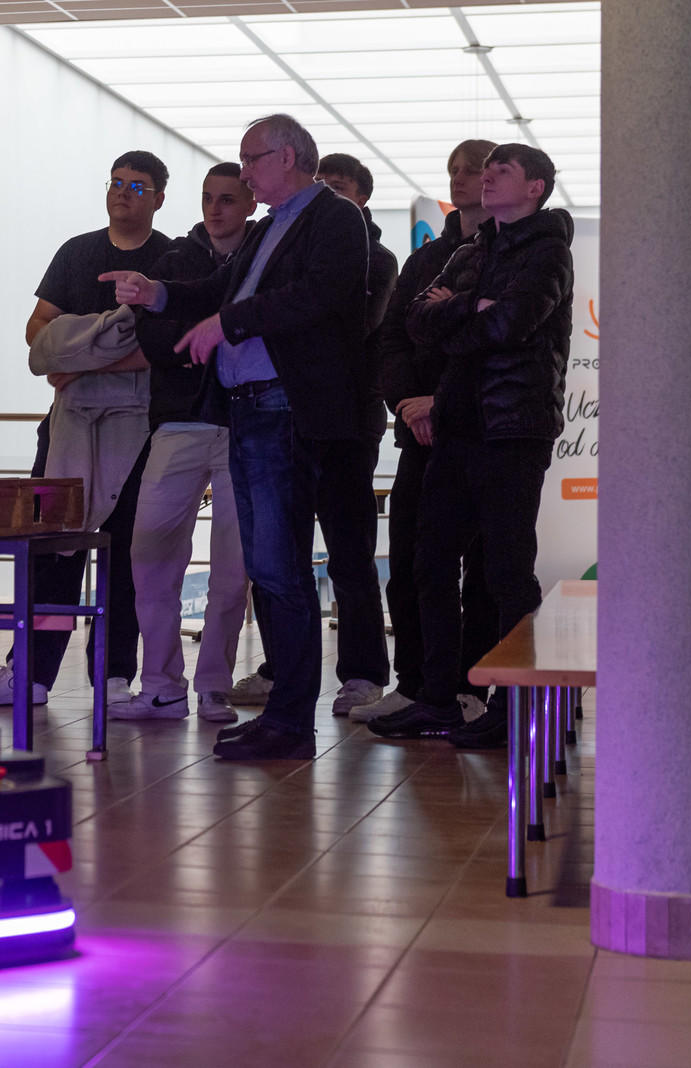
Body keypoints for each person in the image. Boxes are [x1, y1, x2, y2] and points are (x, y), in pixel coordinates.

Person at [103, 114, 371, 760]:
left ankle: (291, 720)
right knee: (269, 567)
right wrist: (157, 293)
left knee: (280, 568)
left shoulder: (333, 217)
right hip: (248, 408)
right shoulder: (269, 227)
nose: (245, 171)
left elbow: (319, 295)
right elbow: (218, 289)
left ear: (288, 157)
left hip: (284, 407)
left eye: (252, 159)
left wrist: (229, 325)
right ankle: (284, 715)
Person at [368, 143, 573, 747]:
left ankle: (515, 705)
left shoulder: (548, 251)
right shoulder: (469, 250)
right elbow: (416, 322)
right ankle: (438, 697)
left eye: (501, 170)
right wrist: (473, 309)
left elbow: (512, 323)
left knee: (507, 571)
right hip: (456, 426)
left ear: (534, 187)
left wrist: (455, 311)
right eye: (486, 170)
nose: (486, 178)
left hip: (512, 429)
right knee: (429, 562)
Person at [0, 151, 170, 708]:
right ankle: (29, 674)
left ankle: (115, 676)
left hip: (139, 430)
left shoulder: (172, 258)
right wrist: (102, 339)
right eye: (117, 182)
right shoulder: (77, 252)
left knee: (125, 556)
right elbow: (39, 330)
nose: (124, 192)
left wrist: (79, 357)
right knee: (53, 548)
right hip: (67, 426)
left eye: (138, 186)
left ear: (158, 198)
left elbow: (165, 345)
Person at [227, 152, 398, 718]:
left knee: (349, 549)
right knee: (278, 549)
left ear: (361, 198)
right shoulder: (278, 241)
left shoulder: (378, 258)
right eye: (322, 182)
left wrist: (267, 315)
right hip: (288, 410)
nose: (326, 192)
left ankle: (363, 673)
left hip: (347, 419)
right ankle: (282, 668)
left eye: (338, 186)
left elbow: (351, 325)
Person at [350, 139, 501, 727]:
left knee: (484, 570)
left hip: (484, 430)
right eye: (454, 171)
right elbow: (392, 341)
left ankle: (472, 687)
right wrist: (409, 406)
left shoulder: (515, 256)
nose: (461, 180)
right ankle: (416, 684)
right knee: (414, 563)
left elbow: (497, 343)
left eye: (473, 170)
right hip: (420, 432)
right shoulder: (425, 261)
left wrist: (444, 400)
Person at [114, 162, 256, 724]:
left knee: (233, 566)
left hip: (245, 424)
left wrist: (208, 335)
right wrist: (215, 337)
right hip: (179, 422)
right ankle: (161, 684)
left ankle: (214, 685)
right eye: (207, 197)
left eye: (227, 199)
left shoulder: (261, 258)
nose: (215, 209)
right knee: (149, 552)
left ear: (250, 203)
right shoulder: (173, 261)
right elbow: (155, 339)